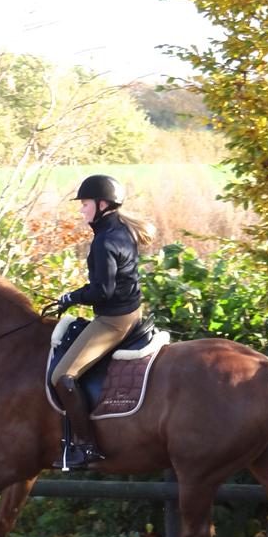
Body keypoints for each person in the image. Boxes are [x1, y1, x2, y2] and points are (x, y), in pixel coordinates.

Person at [50, 174, 155, 468]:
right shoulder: (120, 230)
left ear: (102, 204)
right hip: (129, 311)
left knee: (63, 376)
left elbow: (102, 291)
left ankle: (86, 447)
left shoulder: (105, 241)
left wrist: (72, 297)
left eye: (85, 205)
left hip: (114, 321)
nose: (81, 210)